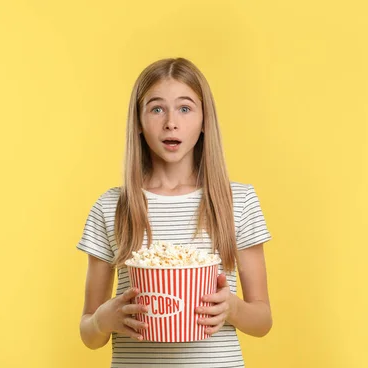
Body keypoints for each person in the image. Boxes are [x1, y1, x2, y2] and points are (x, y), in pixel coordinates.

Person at [77, 57, 273, 367]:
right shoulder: (112, 207)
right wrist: (103, 319)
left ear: (204, 120)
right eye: (157, 108)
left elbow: (262, 320)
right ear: (138, 123)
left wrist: (232, 309)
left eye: (185, 108)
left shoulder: (239, 201)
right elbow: (89, 335)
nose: (171, 122)